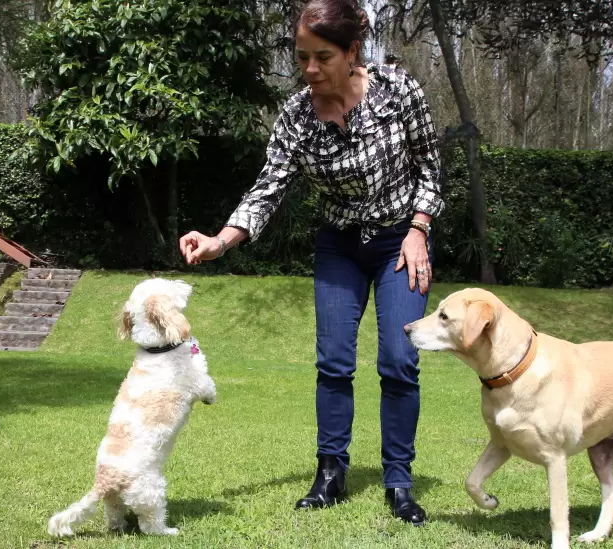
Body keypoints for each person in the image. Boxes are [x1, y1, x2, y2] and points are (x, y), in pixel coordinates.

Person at [178, 0, 443, 527]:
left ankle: (399, 482)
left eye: (322, 57)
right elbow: (268, 189)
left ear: (352, 52)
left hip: (399, 241)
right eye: (302, 58)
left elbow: (431, 168)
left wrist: (419, 228)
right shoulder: (298, 116)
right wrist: (220, 241)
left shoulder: (398, 91)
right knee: (334, 362)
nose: (310, 70)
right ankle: (330, 474)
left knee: (397, 358)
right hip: (339, 245)